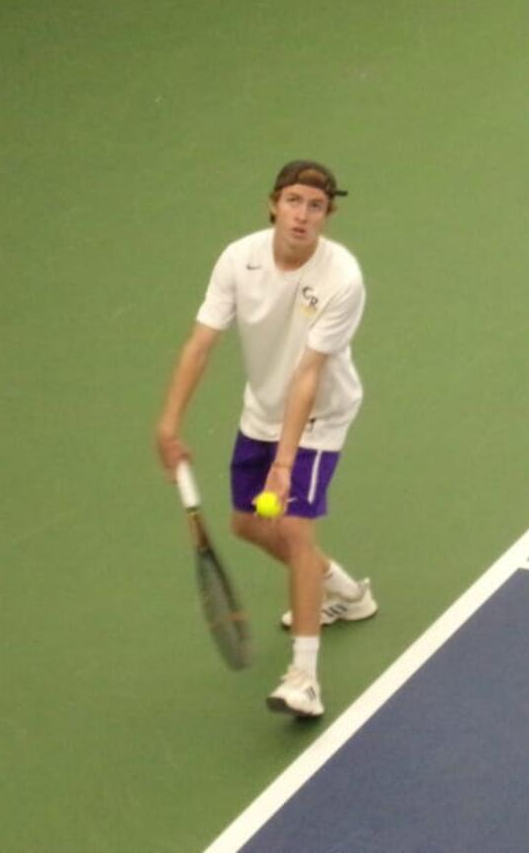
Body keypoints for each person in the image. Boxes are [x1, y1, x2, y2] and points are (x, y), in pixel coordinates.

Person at [155, 160, 376, 719]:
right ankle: (345, 592)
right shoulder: (239, 258)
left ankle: (304, 678)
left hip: (320, 415)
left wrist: (285, 462)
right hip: (262, 409)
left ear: (329, 215)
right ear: (273, 203)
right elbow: (200, 343)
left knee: (295, 530)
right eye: (294, 201)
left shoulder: (341, 278)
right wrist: (169, 425)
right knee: (247, 524)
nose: (303, 215)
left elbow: (308, 374)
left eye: (316, 206)